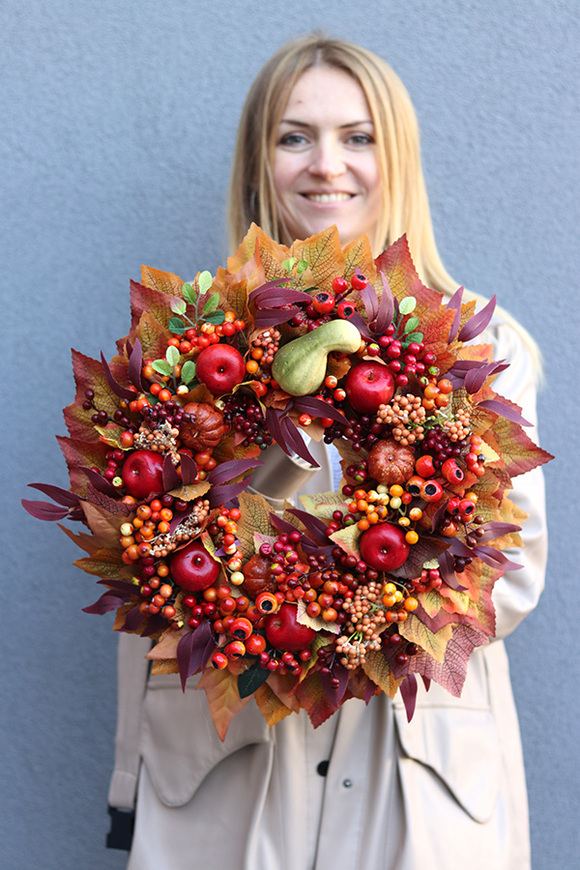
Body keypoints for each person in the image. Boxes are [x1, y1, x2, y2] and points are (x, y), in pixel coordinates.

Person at [107, 35, 547, 870]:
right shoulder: (187, 354)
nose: (326, 164)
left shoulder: (481, 351)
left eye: (358, 136)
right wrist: (128, 775)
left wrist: (354, 623)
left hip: (411, 768)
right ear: (258, 163)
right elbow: (148, 569)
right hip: (229, 760)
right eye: (294, 136)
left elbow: (511, 580)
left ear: (396, 157)